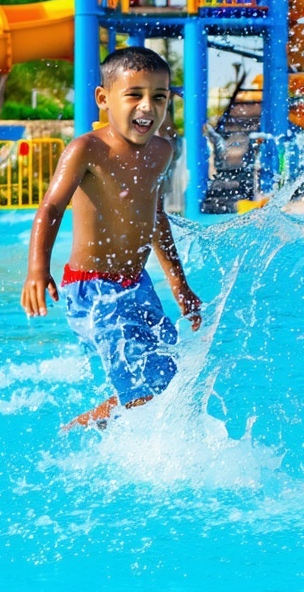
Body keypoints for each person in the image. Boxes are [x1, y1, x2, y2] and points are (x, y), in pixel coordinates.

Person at [21, 46, 201, 432]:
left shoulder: (161, 151)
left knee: (169, 382)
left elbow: (155, 217)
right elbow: (51, 207)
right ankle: (76, 431)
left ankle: (92, 426)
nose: (147, 107)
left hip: (138, 286)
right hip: (92, 290)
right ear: (104, 99)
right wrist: (38, 269)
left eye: (159, 97)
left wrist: (179, 285)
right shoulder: (88, 149)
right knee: (140, 393)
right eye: (134, 94)